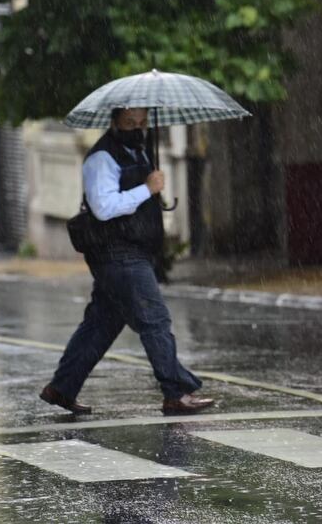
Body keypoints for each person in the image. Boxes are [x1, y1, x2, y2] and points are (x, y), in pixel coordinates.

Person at [40, 107, 216, 415]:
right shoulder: (102, 158)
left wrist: (152, 191)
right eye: (130, 122)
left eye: (143, 122)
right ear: (115, 122)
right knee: (155, 320)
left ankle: (62, 387)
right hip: (117, 253)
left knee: (101, 324)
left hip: (132, 250)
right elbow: (104, 207)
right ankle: (175, 392)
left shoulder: (138, 152)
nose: (137, 128)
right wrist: (146, 189)